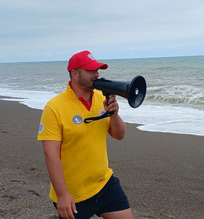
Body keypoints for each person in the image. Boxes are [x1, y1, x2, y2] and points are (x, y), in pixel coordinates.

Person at [38, 50, 134, 219]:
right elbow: (50, 154)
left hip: (104, 183)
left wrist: (115, 114)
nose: (97, 75)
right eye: (91, 71)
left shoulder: (100, 98)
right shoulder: (54, 108)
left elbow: (119, 135)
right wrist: (62, 195)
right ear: (74, 74)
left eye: (97, 70)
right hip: (73, 193)